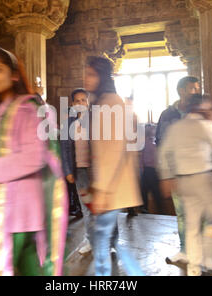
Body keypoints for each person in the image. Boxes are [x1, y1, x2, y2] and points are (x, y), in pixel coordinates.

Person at [0, 47, 68, 276]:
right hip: (7, 205)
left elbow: (35, 157)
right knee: (32, 267)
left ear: (14, 75)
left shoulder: (26, 108)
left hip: (17, 208)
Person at [84, 56, 144, 276]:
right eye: (86, 73)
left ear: (102, 76)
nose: (86, 78)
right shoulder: (103, 102)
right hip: (109, 184)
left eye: (91, 74)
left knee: (101, 243)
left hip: (111, 185)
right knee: (104, 240)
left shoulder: (110, 102)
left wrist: (102, 188)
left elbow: (113, 149)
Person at [157, 94, 212, 276]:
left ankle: (194, 267)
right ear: (201, 108)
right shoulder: (204, 125)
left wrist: (166, 177)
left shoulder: (176, 127)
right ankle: (210, 261)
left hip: (183, 180)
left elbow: (163, 153)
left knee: (192, 225)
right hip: (203, 179)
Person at [155, 76, 201, 266]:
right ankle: (185, 250)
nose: (196, 92)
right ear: (182, 90)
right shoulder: (167, 115)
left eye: (197, 89)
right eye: (193, 89)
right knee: (182, 214)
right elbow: (161, 142)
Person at [60, 88, 93, 254]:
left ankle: (109, 241)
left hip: (95, 171)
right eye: (77, 101)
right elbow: (64, 149)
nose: (80, 103)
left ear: (88, 102)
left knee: (103, 207)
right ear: (72, 104)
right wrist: (67, 171)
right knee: (87, 207)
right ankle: (90, 239)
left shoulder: (96, 121)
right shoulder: (69, 123)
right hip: (79, 171)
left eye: (83, 100)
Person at [140, 124, 163, 214]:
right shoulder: (144, 142)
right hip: (148, 169)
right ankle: (145, 208)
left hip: (153, 169)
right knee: (147, 190)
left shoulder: (154, 142)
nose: (151, 131)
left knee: (153, 191)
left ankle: (158, 209)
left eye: (152, 129)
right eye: (149, 129)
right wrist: (142, 169)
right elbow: (141, 156)